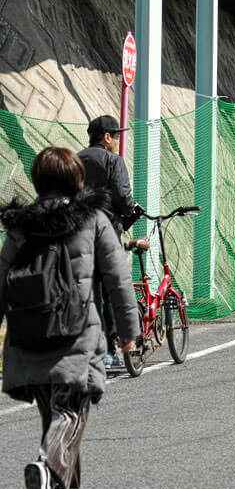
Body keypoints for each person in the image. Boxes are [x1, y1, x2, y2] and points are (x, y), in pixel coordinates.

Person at [1, 147, 141, 489]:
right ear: (76, 179)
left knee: (53, 412)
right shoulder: (92, 219)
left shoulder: (20, 225)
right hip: (76, 333)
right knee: (72, 413)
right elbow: (117, 278)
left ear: (37, 181)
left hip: (29, 332)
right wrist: (129, 330)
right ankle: (46, 468)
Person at [77, 116, 146, 369]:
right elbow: (122, 196)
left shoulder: (75, 160)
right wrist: (130, 209)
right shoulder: (113, 161)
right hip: (105, 235)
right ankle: (109, 352)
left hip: (79, 235)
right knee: (112, 291)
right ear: (107, 137)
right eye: (115, 136)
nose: (117, 140)